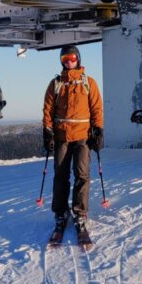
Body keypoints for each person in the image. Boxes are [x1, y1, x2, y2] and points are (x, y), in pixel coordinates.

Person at [42, 45, 104, 236]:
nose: (68, 61)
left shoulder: (88, 83)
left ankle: (80, 212)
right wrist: (47, 132)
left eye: (71, 58)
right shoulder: (56, 84)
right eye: (64, 59)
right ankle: (60, 212)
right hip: (62, 137)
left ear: (78, 59)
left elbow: (96, 109)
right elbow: (48, 110)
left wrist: (98, 130)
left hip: (83, 138)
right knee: (60, 176)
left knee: (82, 175)